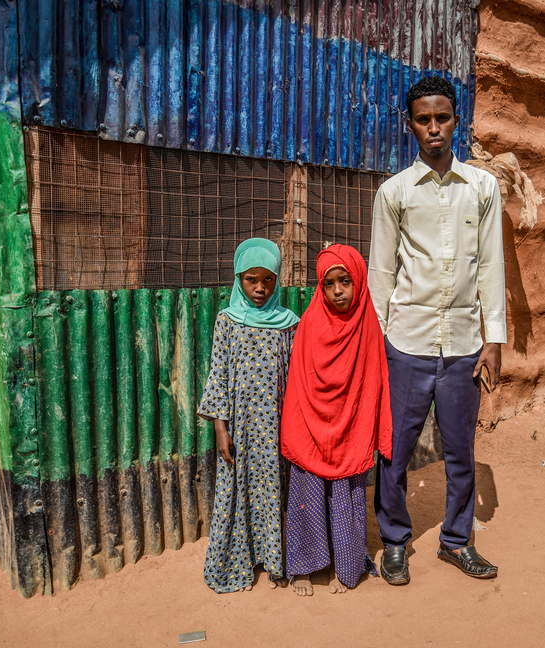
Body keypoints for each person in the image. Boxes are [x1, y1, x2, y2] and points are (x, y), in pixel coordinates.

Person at [369, 75, 505, 584]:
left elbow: (491, 266)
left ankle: (456, 540)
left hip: (466, 346)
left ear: (456, 120)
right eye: (423, 119)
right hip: (406, 343)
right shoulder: (394, 193)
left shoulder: (483, 188)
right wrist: (378, 344)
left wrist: (494, 339)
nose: (434, 128)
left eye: (442, 118)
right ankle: (395, 540)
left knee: (460, 452)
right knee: (394, 451)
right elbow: (381, 272)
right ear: (410, 125)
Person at [280, 244, 393, 596]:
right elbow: (298, 381)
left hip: (350, 429)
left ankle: (345, 565)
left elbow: (373, 382)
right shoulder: (311, 322)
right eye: (329, 284)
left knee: (345, 496)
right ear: (320, 286)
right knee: (307, 493)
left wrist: (363, 428)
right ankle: (304, 567)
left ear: (358, 280)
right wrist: (303, 426)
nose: (338, 291)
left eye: (345, 281)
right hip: (311, 426)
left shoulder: (367, 326)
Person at [197, 238, 300, 593]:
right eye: (251, 279)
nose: (260, 288)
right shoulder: (227, 321)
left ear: (277, 280)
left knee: (275, 491)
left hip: (277, 427)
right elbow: (219, 375)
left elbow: (298, 377)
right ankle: (240, 559)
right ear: (239, 278)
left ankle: (275, 560)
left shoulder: (289, 324)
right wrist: (220, 428)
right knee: (237, 492)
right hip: (239, 430)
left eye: (268, 280)